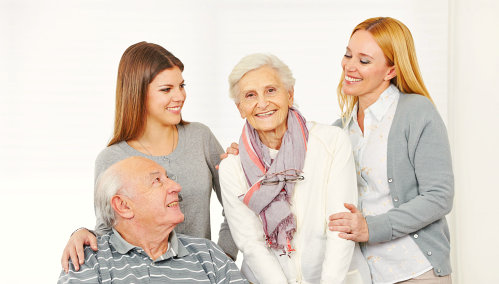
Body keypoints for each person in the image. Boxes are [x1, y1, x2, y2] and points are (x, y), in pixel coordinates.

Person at [61, 42, 237, 272]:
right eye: (166, 89)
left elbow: (236, 206)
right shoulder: (112, 158)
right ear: (138, 92)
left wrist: (222, 258)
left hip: (198, 274)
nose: (180, 96)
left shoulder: (200, 137)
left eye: (181, 85)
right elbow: (108, 231)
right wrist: (80, 234)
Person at [218, 53, 370, 284]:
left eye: (271, 90)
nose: (262, 103)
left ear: (289, 95)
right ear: (240, 108)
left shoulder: (331, 142)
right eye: (250, 95)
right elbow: (251, 244)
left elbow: (341, 225)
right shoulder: (232, 167)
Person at [328, 17, 454, 283]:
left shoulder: (416, 112)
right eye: (348, 54)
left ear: (390, 71)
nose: (349, 66)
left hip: (416, 271)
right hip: (361, 275)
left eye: (364, 60)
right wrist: (241, 156)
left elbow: (439, 196)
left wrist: (371, 228)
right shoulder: (339, 130)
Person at [57, 156, 246, 284]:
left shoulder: (209, 255)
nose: (176, 186)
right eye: (157, 181)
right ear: (123, 206)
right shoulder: (89, 260)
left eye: (168, 178)